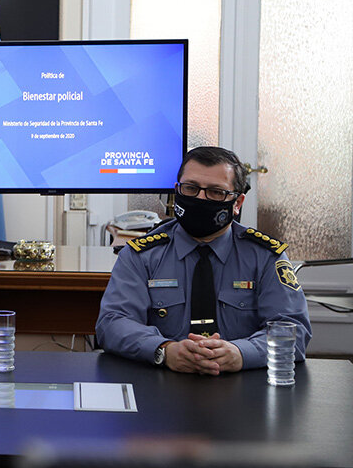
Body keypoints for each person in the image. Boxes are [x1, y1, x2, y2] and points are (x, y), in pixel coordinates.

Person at [96, 146, 311, 374]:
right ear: (177, 190)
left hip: (245, 387)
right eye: (191, 188)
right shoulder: (140, 255)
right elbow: (112, 324)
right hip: (162, 383)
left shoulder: (266, 257)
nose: (200, 198)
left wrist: (241, 353)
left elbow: (293, 330)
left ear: (237, 203)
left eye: (216, 192)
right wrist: (164, 350)